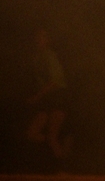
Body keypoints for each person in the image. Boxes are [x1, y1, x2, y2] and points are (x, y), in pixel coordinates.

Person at [25, 30, 71, 161]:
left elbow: (55, 82)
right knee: (32, 134)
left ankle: (62, 168)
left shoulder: (50, 56)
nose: (38, 40)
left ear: (48, 40)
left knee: (51, 137)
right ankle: (62, 140)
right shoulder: (37, 57)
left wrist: (37, 97)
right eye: (37, 37)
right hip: (47, 97)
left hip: (57, 96)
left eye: (42, 37)